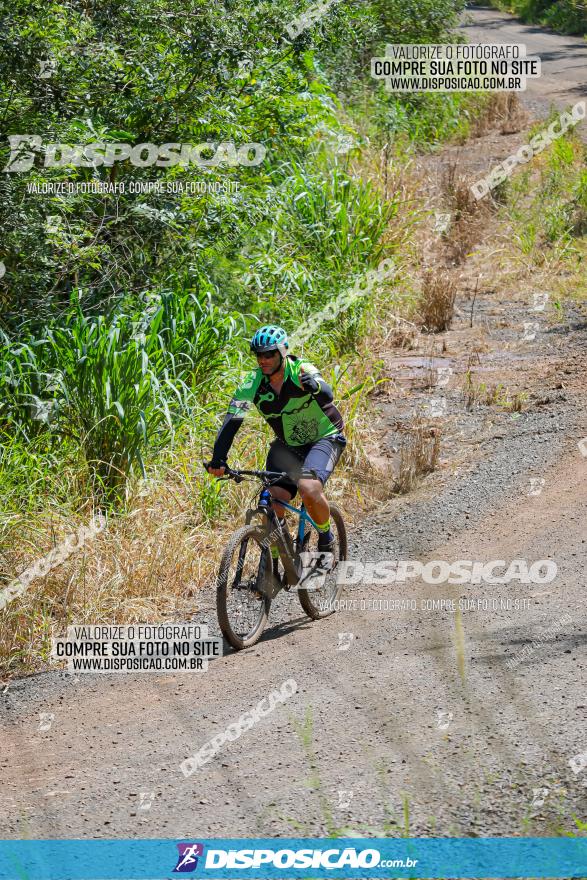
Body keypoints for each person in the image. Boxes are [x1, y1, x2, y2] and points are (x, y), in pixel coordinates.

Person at [206, 325, 346, 552]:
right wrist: (218, 459)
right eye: (259, 355)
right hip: (289, 445)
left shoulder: (300, 369)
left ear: (282, 352)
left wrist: (314, 386)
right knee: (272, 502)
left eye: (269, 354)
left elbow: (327, 392)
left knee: (308, 489)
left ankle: (326, 535)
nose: (263, 359)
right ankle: (278, 561)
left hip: (324, 438)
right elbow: (232, 421)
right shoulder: (251, 384)